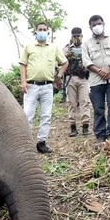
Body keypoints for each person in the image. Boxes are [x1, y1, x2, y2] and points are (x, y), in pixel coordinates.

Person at [20, 22, 68, 154]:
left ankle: (42, 143)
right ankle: (27, 144)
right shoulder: (29, 47)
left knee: (46, 115)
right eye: (39, 29)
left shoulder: (53, 48)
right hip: (31, 86)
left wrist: (59, 76)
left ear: (48, 32)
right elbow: (23, 64)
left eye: (44, 30)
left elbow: (64, 62)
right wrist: (23, 81)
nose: (42, 31)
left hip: (47, 86)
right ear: (36, 32)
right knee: (28, 115)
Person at [81, 15, 110, 147]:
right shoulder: (86, 43)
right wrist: (100, 71)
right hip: (95, 81)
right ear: (90, 27)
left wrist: (109, 67)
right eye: (94, 25)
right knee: (98, 108)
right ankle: (100, 136)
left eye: (98, 24)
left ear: (103, 24)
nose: (97, 27)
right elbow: (86, 61)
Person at [62, 27, 91, 137]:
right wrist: (66, 56)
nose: (77, 37)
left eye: (78, 35)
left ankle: (85, 126)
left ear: (82, 35)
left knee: (85, 102)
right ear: (71, 36)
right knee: (72, 103)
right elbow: (59, 62)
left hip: (84, 78)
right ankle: (73, 127)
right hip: (71, 78)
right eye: (74, 36)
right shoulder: (66, 48)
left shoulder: (86, 47)